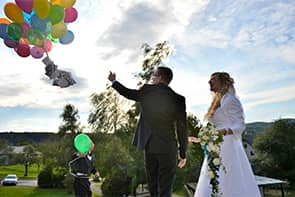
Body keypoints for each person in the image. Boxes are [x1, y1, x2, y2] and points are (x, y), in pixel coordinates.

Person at [108, 66, 188, 197]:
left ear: (160, 78)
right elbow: (182, 128)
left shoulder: (147, 91)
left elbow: (129, 93)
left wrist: (114, 82)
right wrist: (183, 153)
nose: (152, 78)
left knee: (153, 185)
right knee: (166, 187)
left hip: (150, 146)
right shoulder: (178, 99)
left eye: (154, 76)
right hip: (168, 148)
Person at [189, 72, 261, 197]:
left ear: (222, 82)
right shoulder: (218, 101)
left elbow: (240, 125)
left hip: (228, 147)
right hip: (216, 147)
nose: (209, 82)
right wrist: (201, 138)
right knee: (213, 178)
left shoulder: (230, 100)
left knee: (228, 179)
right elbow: (216, 127)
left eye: (213, 80)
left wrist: (224, 131)